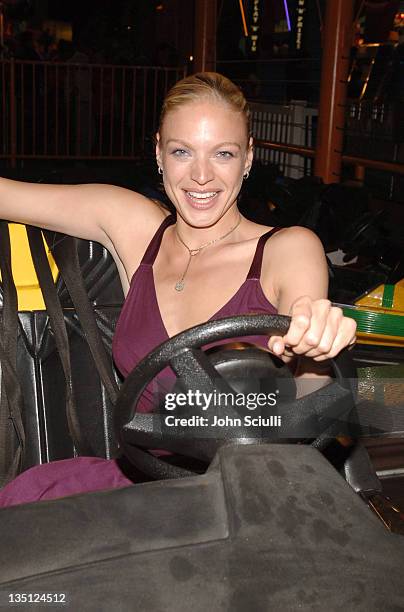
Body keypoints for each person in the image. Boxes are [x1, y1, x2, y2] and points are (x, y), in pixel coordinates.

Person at [0, 72, 356, 507]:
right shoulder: (134, 226)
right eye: (182, 151)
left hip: (249, 496)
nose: (201, 176)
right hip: (146, 485)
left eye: (222, 154)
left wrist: (316, 342)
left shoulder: (288, 247)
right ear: (158, 154)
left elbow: (307, 364)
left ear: (247, 158)